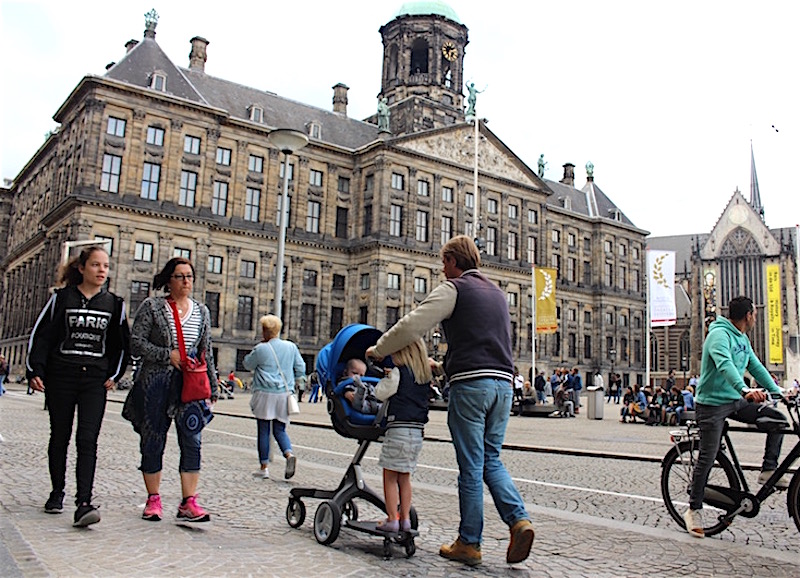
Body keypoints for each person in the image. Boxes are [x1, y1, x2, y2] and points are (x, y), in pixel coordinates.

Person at [366, 235, 534, 566]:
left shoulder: (454, 288)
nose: (443, 270)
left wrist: (380, 348)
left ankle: (469, 543)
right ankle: (518, 520)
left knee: (471, 467)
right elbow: (487, 343)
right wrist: (443, 367)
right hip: (503, 384)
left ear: (454, 262)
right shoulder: (498, 293)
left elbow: (413, 324)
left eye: (444, 263)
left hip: (472, 387)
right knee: (490, 459)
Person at [26, 246, 130, 526]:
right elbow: (42, 335)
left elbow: (122, 345)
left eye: (106, 266)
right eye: (96, 265)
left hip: (94, 381)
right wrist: (35, 369)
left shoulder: (115, 304)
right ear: (82, 268)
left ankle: (84, 500)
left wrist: (115, 374)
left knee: (87, 440)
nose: (101, 271)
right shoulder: (62, 299)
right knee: (59, 436)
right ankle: (56, 491)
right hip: (62, 376)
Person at [684, 296, 788, 539]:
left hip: (734, 401)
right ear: (748, 315)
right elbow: (725, 365)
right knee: (708, 457)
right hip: (711, 405)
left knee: (778, 421)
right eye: (754, 314)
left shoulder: (742, 338)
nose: (755, 318)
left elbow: (756, 367)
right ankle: (694, 509)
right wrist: (745, 390)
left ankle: (768, 470)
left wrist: (779, 392)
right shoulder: (719, 335)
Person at [130, 257, 217, 523]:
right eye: (180, 276)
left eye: (189, 276)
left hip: (189, 386)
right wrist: (166, 355)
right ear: (169, 280)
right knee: (153, 439)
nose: (186, 281)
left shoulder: (202, 311)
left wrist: (212, 387)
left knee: (192, 441)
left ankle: (188, 502)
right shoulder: (153, 307)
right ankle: (153, 499)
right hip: (156, 383)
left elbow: (206, 351)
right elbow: (136, 343)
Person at [372, 338, 431, 533]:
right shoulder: (424, 376)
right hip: (417, 432)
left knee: (389, 476)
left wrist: (384, 379)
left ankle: (391, 519)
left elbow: (380, 393)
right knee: (404, 477)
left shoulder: (398, 373)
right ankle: (405, 519)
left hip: (398, 429)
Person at [243, 314, 305, 480]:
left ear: (264, 331)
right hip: (284, 394)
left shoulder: (261, 348)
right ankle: (289, 454)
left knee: (264, 430)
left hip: (265, 393)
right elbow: (301, 367)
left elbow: (247, 364)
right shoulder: (291, 347)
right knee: (280, 429)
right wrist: (296, 380)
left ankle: (264, 468)